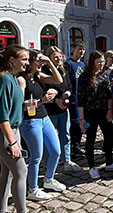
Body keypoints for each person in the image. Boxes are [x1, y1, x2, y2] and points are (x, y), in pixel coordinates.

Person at [0, 45, 46, 213]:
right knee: (21, 172)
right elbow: (2, 116)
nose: (28, 63)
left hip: (12, 130)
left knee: (6, 174)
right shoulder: (4, 79)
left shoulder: (12, 78)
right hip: (7, 133)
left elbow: (13, 105)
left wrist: (32, 103)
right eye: (24, 59)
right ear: (12, 60)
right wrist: (12, 142)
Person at [19, 49, 65, 201]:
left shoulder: (37, 76)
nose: (41, 63)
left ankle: (49, 179)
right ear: (29, 62)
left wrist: (49, 62)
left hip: (44, 118)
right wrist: (42, 101)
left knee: (56, 151)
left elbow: (59, 80)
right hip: (30, 121)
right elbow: (20, 105)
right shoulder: (22, 79)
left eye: (41, 60)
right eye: (38, 60)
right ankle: (33, 189)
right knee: (36, 156)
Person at [78, 51, 113, 179]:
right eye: (99, 62)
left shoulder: (103, 75)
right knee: (90, 140)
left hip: (103, 112)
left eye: (102, 61)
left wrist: (109, 110)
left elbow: (109, 95)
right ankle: (92, 166)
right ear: (92, 62)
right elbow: (80, 99)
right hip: (90, 113)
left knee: (109, 137)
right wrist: (81, 119)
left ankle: (109, 162)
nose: (101, 64)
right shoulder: (84, 77)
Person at [43, 46, 81, 172]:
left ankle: (66, 160)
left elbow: (69, 86)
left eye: (60, 56)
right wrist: (55, 100)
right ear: (49, 58)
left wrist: (67, 94)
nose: (59, 59)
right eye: (55, 57)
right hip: (50, 111)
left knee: (65, 135)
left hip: (64, 110)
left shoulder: (63, 69)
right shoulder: (44, 72)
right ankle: (49, 163)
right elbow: (42, 92)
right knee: (50, 138)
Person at [66, 41, 86, 156]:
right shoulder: (69, 64)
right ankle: (73, 145)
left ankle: (78, 144)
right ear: (73, 49)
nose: (81, 51)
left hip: (82, 99)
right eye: (79, 49)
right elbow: (68, 82)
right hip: (73, 99)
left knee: (81, 123)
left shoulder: (82, 65)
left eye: (83, 49)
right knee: (74, 124)